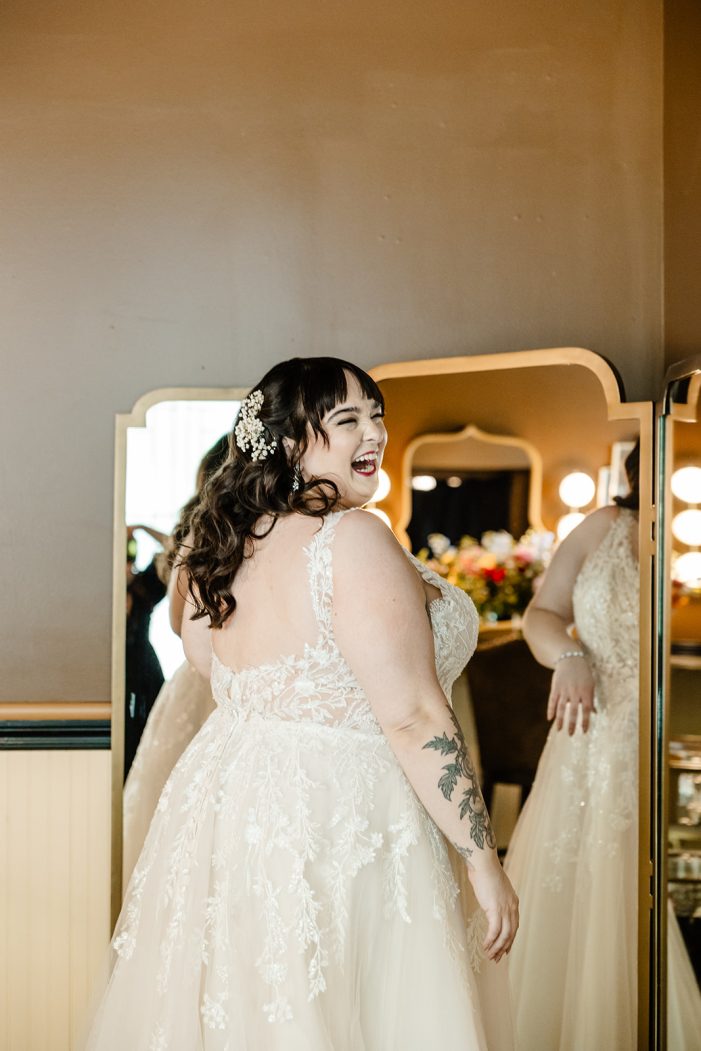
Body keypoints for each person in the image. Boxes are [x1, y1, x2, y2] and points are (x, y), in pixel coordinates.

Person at [87, 357, 518, 1049]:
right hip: (344, 808)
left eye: (375, 413)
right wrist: (481, 856)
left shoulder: (217, 541)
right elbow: (410, 714)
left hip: (230, 803)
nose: (373, 430)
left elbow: (207, 664)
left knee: (258, 1005)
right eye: (346, 418)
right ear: (288, 443)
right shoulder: (351, 537)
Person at [505, 442, 701, 1050]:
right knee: (571, 874)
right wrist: (568, 656)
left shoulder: (679, 540)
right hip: (588, 729)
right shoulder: (602, 526)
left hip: (648, 724)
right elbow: (540, 614)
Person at [122, 436, 229, 884]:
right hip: (199, 680)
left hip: (178, 674)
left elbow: (175, 622)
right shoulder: (204, 537)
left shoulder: (201, 535)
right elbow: (178, 624)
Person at [124, 525, 170, 779]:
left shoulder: (145, 586)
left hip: (146, 674)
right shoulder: (103, 592)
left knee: (149, 735)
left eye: (129, 558)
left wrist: (141, 528)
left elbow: (174, 546)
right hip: (118, 675)